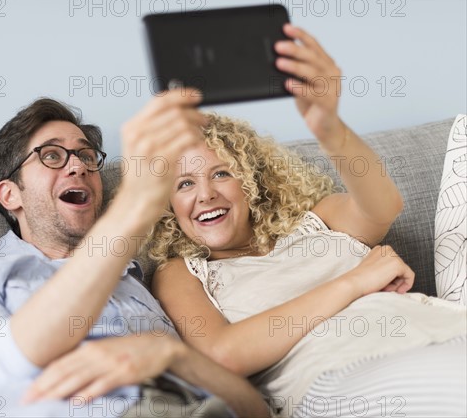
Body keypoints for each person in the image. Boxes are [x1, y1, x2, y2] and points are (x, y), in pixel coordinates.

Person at [148, 24, 467, 417]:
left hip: (441, 330)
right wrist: (354, 282)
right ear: (166, 205)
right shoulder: (182, 274)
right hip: (341, 375)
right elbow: (222, 354)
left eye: (221, 173)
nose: (205, 194)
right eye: (183, 184)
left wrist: (329, 125)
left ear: (249, 182)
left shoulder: (317, 222)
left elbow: (383, 206)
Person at [0, 92, 271, 417]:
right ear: (10, 195)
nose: (79, 166)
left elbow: (254, 411)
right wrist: (133, 206)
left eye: (86, 156)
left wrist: (172, 355)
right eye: (51, 155)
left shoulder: (139, 278)